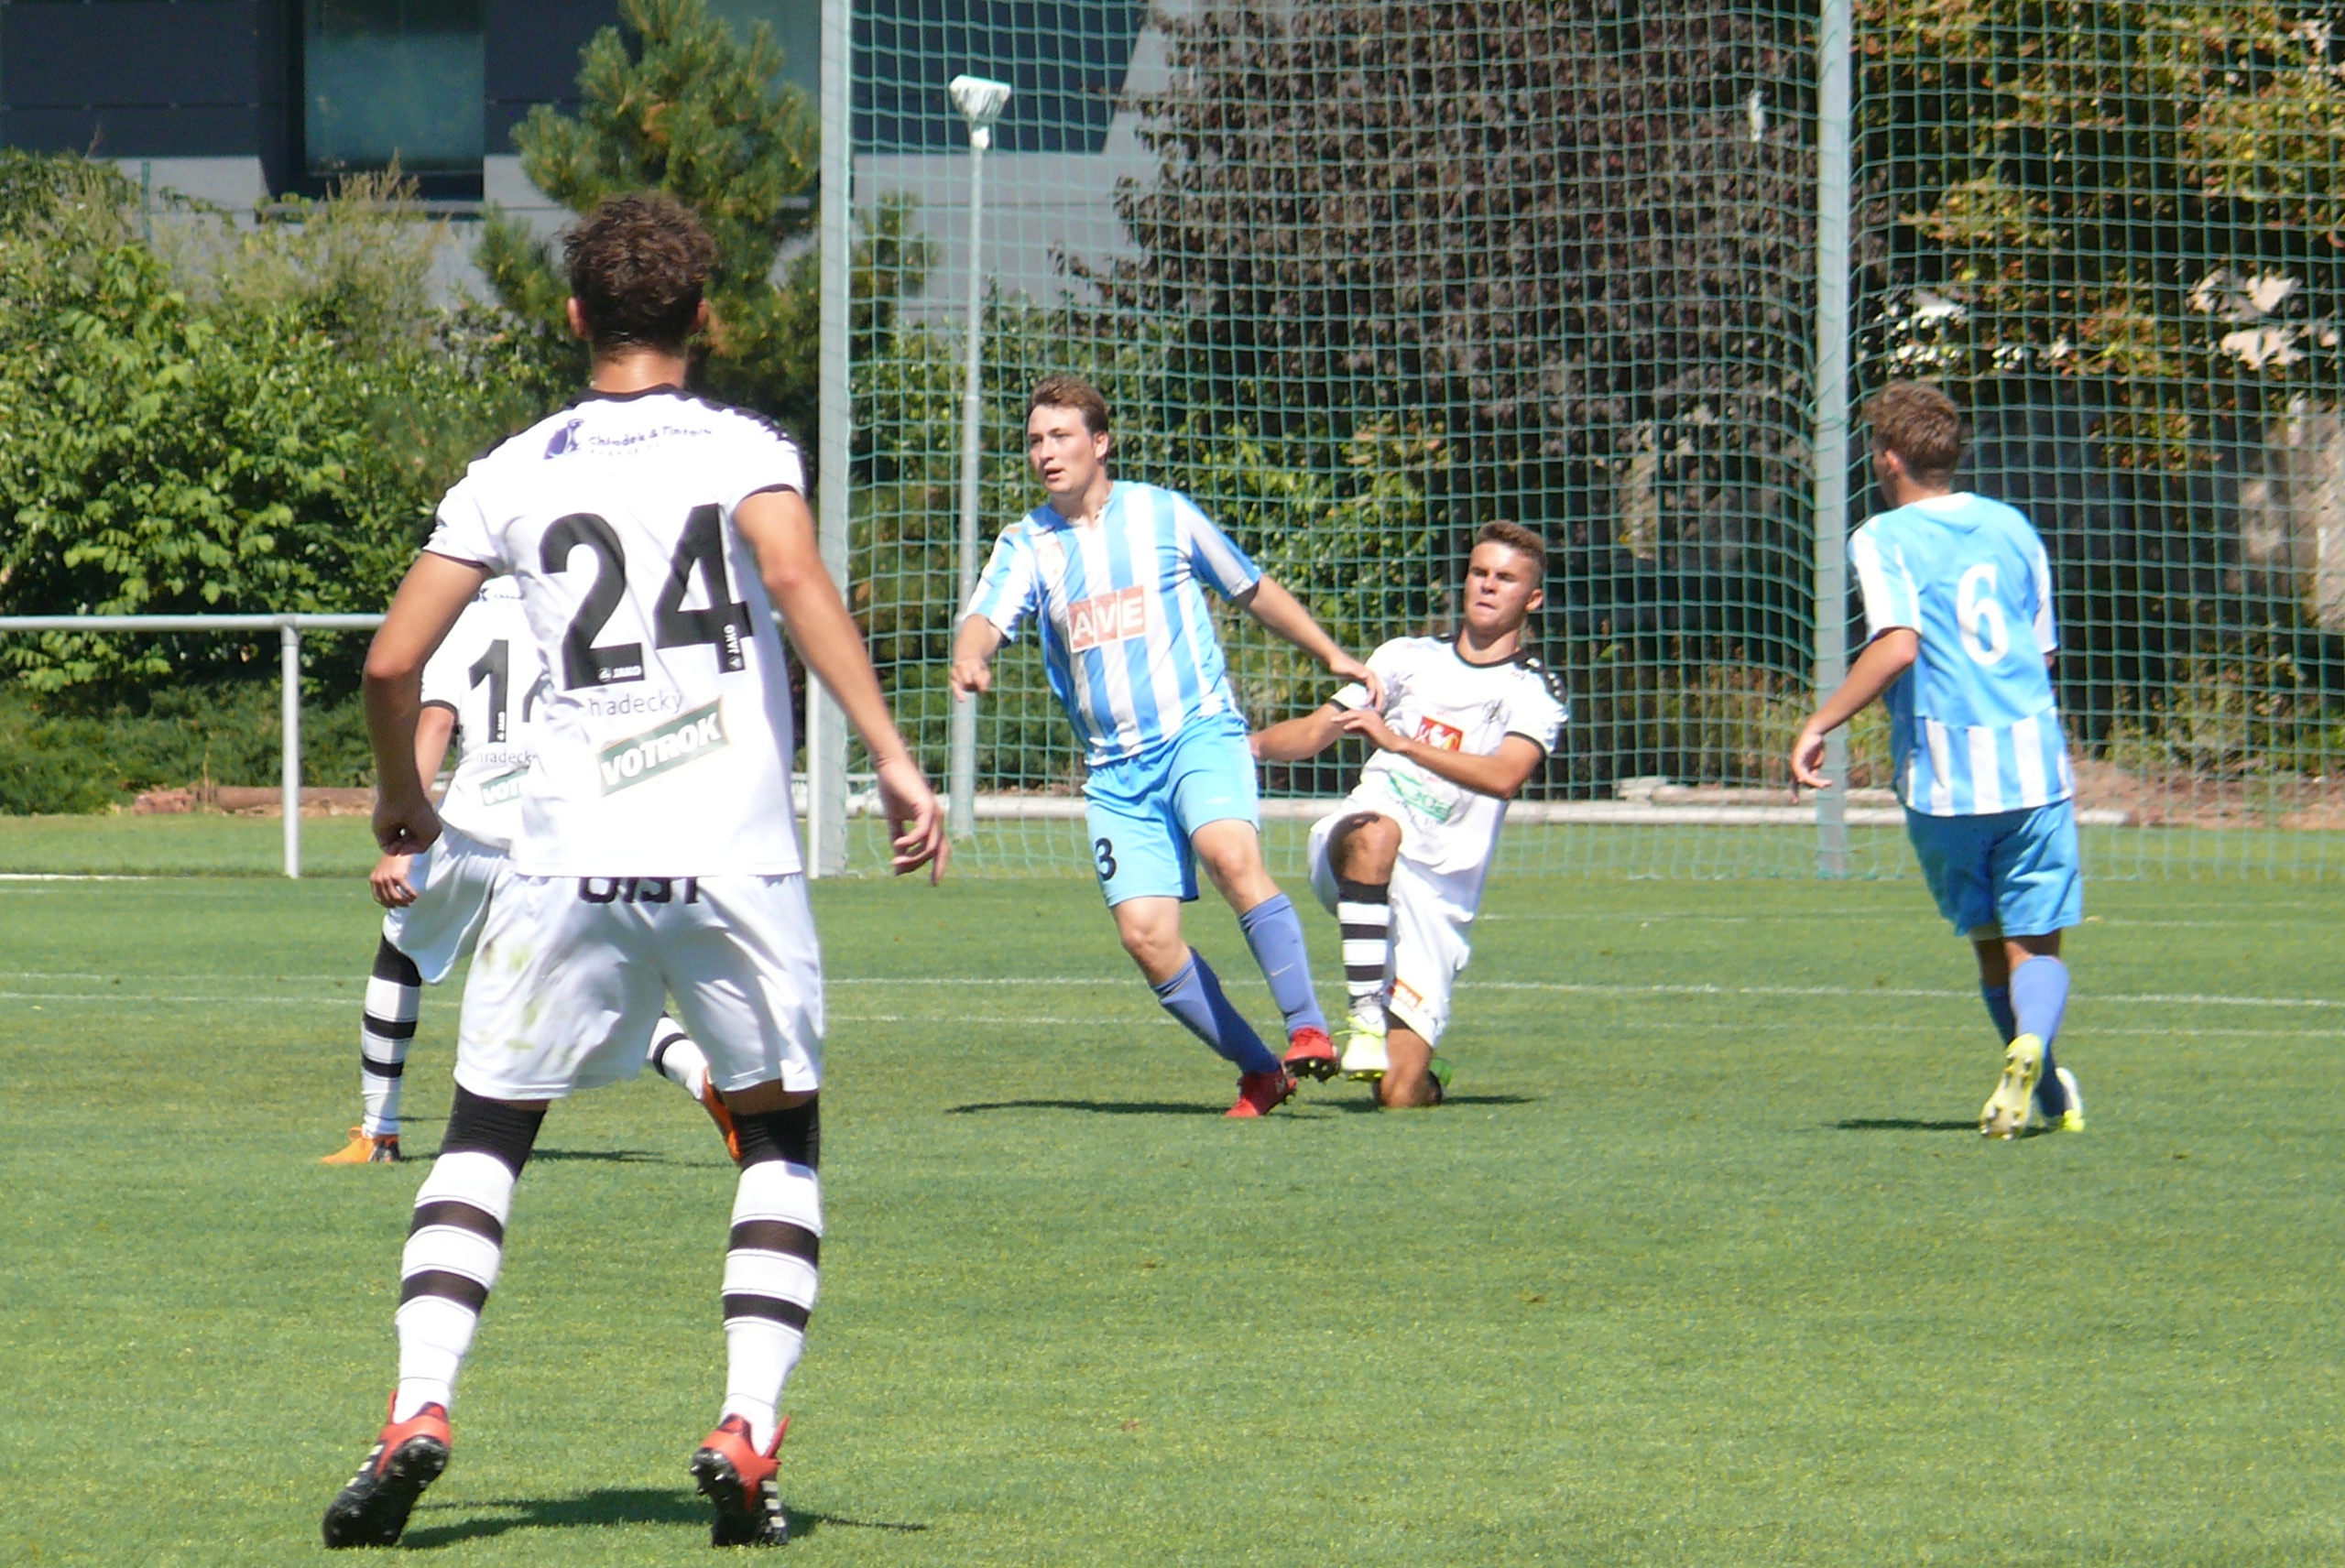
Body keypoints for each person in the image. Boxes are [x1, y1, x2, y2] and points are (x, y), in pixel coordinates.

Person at [321, 192, 946, 1552]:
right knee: (777, 1140)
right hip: (732, 856)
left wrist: (402, 800)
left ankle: (418, 1406)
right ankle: (745, 1427)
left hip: (566, 860)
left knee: (485, 1137)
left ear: (574, 318)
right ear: (702, 317)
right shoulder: (745, 448)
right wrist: (893, 757)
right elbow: (797, 584)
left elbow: (389, 661)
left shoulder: (511, 468)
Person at [948, 375, 1374, 1116]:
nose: (1046, 453)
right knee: (1146, 938)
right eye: (1035, 441)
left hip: (1197, 734)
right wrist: (970, 654)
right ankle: (1261, 1071)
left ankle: (1307, 1026)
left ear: (1100, 442)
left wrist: (1330, 653)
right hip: (1115, 773)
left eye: (1061, 436)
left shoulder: (1164, 514)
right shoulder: (1027, 543)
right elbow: (985, 617)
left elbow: (1250, 587)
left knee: (1228, 855)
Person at [320, 580, 736, 1165]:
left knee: (400, 955)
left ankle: (379, 1132)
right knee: (593, 985)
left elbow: (436, 723)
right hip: (558, 837)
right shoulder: (577, 617)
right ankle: (702, 1074)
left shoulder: (465, 621)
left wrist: (405, 836)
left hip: (473, 832)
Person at [1791, 379, 2084, 1140]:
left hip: (1943, 781)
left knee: (1989, 942)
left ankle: (2048, 1088)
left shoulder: (1881, 537)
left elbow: (1898, 643)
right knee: (2036, 944)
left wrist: (1821, 721)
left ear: (1888, 458)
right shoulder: (2014, 527)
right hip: (2032, 769)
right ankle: (2034, 1052)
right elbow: (2041, 654)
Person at [1250, 523, 1567, 1108]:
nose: (1487, 586)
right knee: (1377, 832)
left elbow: (1505, 775)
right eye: (1479, 573)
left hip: (1436, 895)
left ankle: (1422, 1073)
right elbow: (1317, 731)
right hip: (1355, 847)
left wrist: (1401, 743)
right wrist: (1248, 747)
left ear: (1533, 599)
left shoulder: (1535, 691)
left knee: (1399, 1094)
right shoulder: (1405, 658)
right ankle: (1366, 1018)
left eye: (1505, 578)